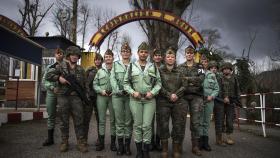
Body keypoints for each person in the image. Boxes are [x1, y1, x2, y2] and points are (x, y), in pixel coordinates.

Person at [45, 46, 88, 153]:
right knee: (64, 121)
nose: (74, 57)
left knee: (79, 120)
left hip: (76, 98)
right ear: (68, 55)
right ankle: (64, 142)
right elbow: (48, 75)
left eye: (77, 55)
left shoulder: (81, 69)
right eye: (72, 55)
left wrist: (85, 97)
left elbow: (84, 85)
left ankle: (80, 142)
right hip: (63, 97)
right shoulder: (60, 66)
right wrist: (59, 78)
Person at [123, 42, 162, 158]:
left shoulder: (153, 67)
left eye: (145, 52)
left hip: (149, 100)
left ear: (148, 54)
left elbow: (159, 83)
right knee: (138, 125)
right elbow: (125, 83)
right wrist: (132, 92)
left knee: (147, 125)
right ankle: (139, 151)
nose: (143, 54)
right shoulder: (131, 66)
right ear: (138, 53)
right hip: (135, 99)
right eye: (141, 52)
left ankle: (146, 151)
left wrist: (153, 92)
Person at [158, 47, 187, 158]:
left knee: (178, 125)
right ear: (165, 58)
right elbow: (158, 85)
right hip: (163, 101)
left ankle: (175, 149)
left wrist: (176, 95)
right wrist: (169, 95)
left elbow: (184, 85)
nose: (170, 58)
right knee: (163, 125)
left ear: (175, 59)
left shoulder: (180, 70)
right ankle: (164, 149)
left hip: (178, 102)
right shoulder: (160, 70)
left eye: (172, 57)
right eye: (168, 57)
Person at [178, 45, 204, 156]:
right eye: (187, 53)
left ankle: (195, 146)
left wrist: (187, 80)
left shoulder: (199, 66)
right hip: (183, 96)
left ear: (193, 54)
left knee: (195, 122)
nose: (189, 55)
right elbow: (179, 81)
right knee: (181, 121)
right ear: (185, 54)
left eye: (191, 53)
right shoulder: (180, 67)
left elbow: (201, 79)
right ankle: (179, 146)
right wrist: (193, 81)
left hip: (196, 96)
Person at [110, 42, 133, 156]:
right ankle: (120, 146)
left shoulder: (134, 65)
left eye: (127, 51)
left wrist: (130, 91)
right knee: (119, 121)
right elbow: (112, 79)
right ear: (121, 53)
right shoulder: (115, 65)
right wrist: (118, 90)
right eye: (123, 51)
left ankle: (127, 146)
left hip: (129, 97)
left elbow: (135, 80)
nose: (125, 53)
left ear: (130, 53)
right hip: (117, 96)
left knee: (128, 121)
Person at [93, 49, 116, 151]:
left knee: (113, 120)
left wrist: (115, 91)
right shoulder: (100, 71)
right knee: (101, 120)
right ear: (104, 59)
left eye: (109, 56)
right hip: (101, 97)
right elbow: (95, 84)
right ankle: (101, 143)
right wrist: (100, 91)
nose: (108, 58)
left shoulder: (116, 70)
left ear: (112, 58)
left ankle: (113, 144)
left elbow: (120, 83)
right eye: (106, 57)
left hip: (113, 97)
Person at [214, 62, 240, 146]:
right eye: (224, 69)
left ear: (230, 69)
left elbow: (237, 90)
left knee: (230, 120)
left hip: (231, 102)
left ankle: (229, 137)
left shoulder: (234, 78)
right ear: (222, 70)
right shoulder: (220, 78)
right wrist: (224, 97)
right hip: (221, 102)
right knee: (220, 120)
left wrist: (237, 100)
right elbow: (219, 89)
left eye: (228, 68)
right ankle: (220, 138)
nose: (226, 70)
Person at [42, 48, 64, 146]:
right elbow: (44, 81)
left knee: (64, 116)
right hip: (51, 93)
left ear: (63, 55)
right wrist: (51, 87)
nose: (59, 55)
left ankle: (64, 141)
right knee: (51, 116)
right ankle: (50, 139)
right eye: (57, 54)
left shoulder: (66, 66)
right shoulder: (49, 67)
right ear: (55, 55)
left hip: (63, 93)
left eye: (61, 53)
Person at [199, 60, 219, 151]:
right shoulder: (198, 73)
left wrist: (212, 96)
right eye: (202, 61)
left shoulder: (213, 76)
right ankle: (199, 142)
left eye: (205, 61)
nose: (204, 63)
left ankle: (205, 143)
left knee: (206, 122)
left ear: (207, 64)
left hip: (209, 101)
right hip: (199, 100)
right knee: (199, 121)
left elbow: (216, 89)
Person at [84, 53, 103, 146]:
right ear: (94, 61)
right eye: (96, 59)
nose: (97, 61)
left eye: (99, 59)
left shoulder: (104, 70)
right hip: (90, 97)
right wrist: (87, 94)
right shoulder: (90, 70)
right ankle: (84, 140)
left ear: (101, 61)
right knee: (86, 118)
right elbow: (86, 83)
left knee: (99, 119)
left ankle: (100, 139)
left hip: (100, 97)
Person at [150, 49, 163, 151]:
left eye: (159, 55)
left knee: (160, 120)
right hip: (151, 96)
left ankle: (157, 142)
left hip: (162, 97)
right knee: (150, 120)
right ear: (153, 57)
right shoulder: (149, 67)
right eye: (156, 55)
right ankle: (150, 142)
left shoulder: (164, 68)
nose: (158, 57)